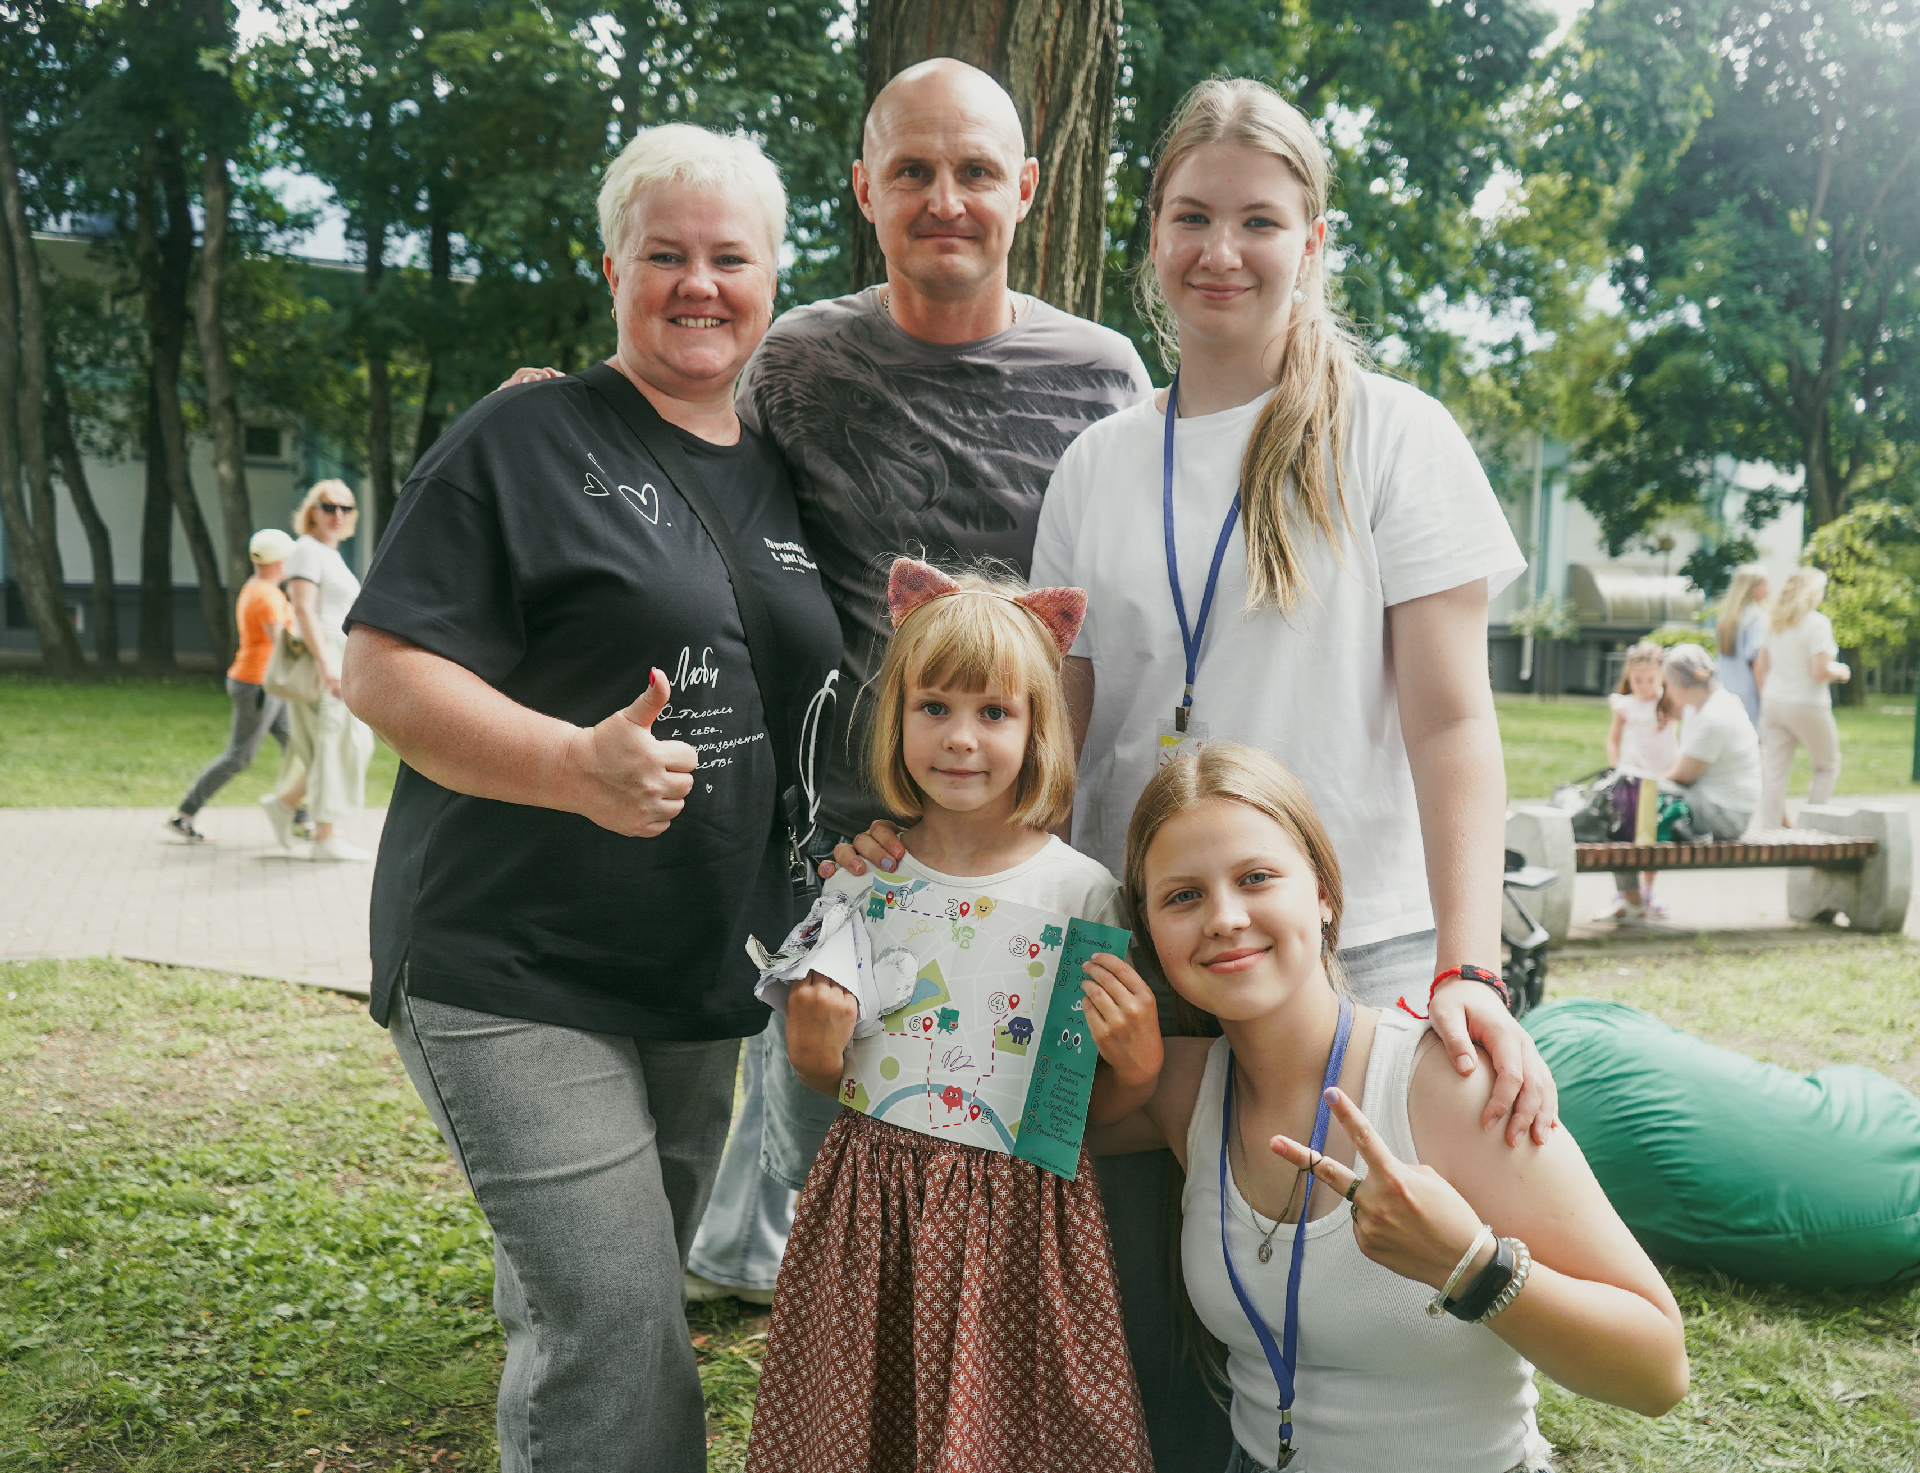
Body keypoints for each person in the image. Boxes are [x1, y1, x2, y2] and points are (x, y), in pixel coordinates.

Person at [838, 75, 1558, 1464]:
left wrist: (1468, 967)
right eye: (1191, 217)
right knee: (1131, 1316)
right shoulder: (1098, 463)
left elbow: (1452, 725)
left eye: (1259, 221)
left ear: (1314, 241)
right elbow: (1055, 733)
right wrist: (927, 852)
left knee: (1339, 1306)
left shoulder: (1396, 435)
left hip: (1344, 952)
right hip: (1137, 951)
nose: (1222, 251)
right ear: (1152, 235)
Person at [495, 56, 1155, 1312]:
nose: (945, 199)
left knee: (1030, 1168)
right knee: (841, 1177)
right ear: (864, 189)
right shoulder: (798, 360)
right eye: (913, 171)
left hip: (1032, 859)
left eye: (975, 172)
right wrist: (557, 414)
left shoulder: (1104, 375)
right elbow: (679, 433)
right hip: (851, 856)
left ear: (1027, 189)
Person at [339, 123, 842, 1473]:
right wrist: (570, 765)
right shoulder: (525, 433)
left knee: (600, 1305)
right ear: (613, 267)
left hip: (692, 973)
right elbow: (380, 666)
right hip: (511, 963)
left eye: (730, 257)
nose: (699, 283)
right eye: (664, 254)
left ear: (773, 276)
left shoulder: (786, 465)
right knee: (618, 1327)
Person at [1086, 744, 1687, 1473]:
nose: (1225, 917)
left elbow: (1659, 1372)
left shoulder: (1451, 1081)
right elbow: (1017, 1130)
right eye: (1183, 896)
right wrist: (1131, 1074)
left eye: (1256, 878)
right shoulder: (1182, 1089)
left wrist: (1472, 1266)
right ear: (1149, 932)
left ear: (1323, 893)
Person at [746, 560, 1158, 1472]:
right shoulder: (862, 878)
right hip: (872, 1218)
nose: (961, 738)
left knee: (1011, 1434)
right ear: (895, 718)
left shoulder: (1083, 894)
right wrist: (812, 1052)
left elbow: (1083, 1111)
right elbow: (829, 1070)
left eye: (995, 712)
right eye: (933, 706)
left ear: (1038, 727)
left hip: (1022, 1233)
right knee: (862, 1425)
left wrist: (1137, 1063)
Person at [262, 480, 376, 861]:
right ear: (312, 510)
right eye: (329, 506)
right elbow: (303, 611)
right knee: (335, 742)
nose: (337, 514)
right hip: (322, 651)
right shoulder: (307, 550)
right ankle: (325, 837)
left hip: (338, 651)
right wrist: (327, 664)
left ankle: (285, 804)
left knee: (349, 743)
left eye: (346, 508)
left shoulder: (330, 554)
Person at [167, 528, 298, 842]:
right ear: (281, 562)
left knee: (298, 747)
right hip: (258, 686)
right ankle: (184, 814)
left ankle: (301, 816)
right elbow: (283, 646)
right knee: (239, 757)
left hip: (264, 684)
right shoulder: (267, 596)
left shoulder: (256, 587)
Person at [1757, 567, 1849, 829]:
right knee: (1826, 766)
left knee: (1775, 774)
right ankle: (1811, 829)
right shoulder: (1817, 623)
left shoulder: (1774, 621)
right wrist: (1841, 671)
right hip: (1807, 703)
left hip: (1774, 702)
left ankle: (1769, 834)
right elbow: (1819, 671)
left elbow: (1762, 665)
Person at [1595, 642, 1681, 922]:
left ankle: (1648, 890)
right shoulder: (1625, 705)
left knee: (1651, 837)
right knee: (1627, 835)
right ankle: (1627, 892)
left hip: (1660, 779)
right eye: (1637, 679)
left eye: (1651, 679)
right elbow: (1613, 739)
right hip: (1631, 779)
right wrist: (1615, 767)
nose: (1644, 686)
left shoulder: (1667, 704)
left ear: (1662, 677)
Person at [1714, 563, 1771, 726]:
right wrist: (1765, 697)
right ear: (1752, 587)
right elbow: (1757, 663)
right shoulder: (1757, 618)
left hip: (1724, 687)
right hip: (1747, 693)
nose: (1769, 589)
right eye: (1765, 584)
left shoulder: (1726, 619)